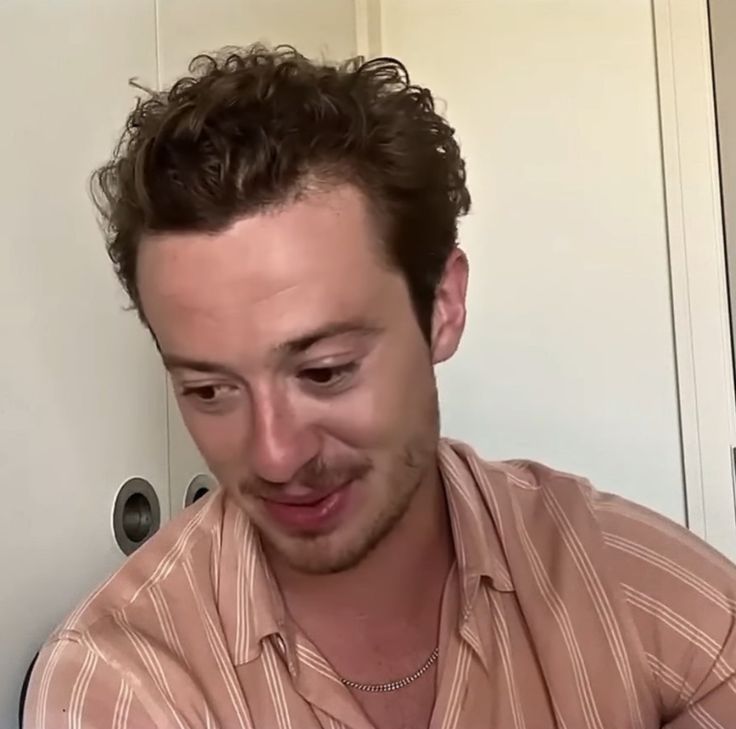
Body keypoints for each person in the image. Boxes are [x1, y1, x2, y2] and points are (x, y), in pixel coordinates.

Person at [25, 45, 736, 729]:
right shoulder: (121, 681)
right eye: (211, 390)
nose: (274, 455)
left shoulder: (618, 578)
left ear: (442, 309)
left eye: (325, 370)